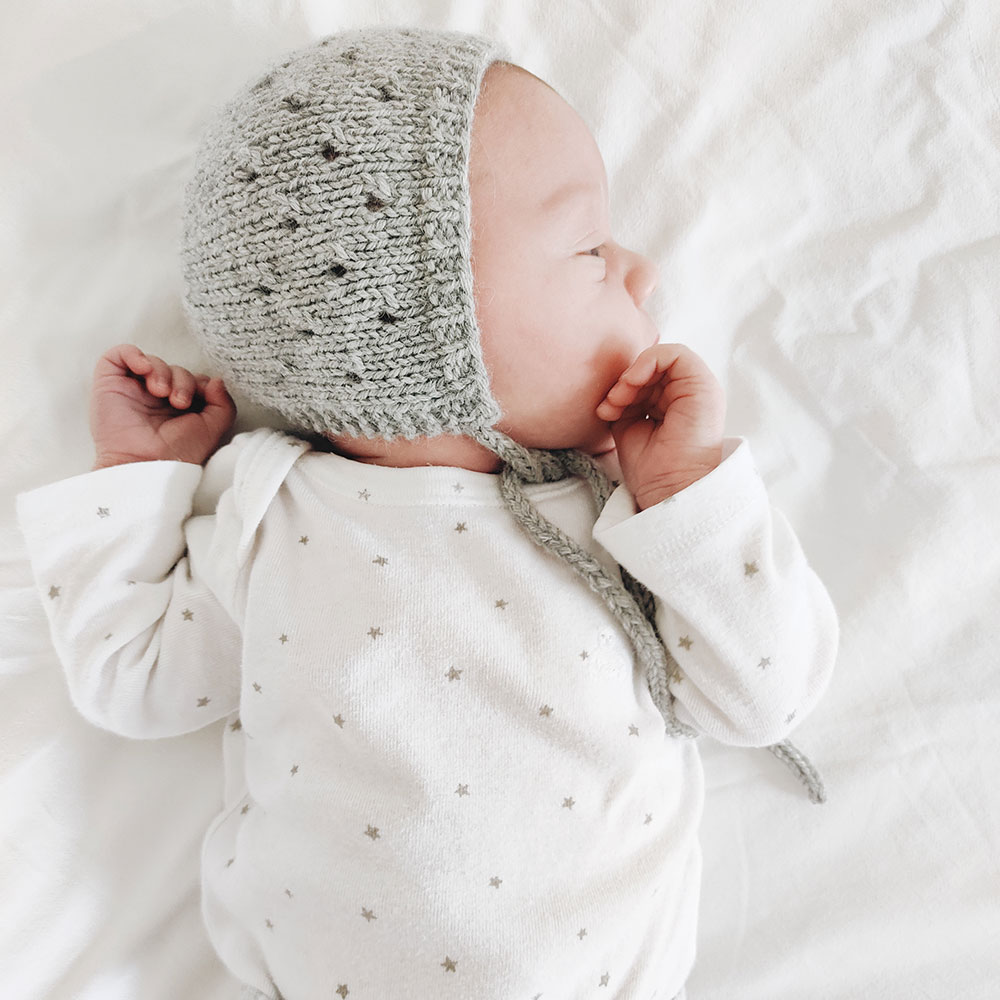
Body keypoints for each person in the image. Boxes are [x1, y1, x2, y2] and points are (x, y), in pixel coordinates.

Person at [15, 25, 839, 1000]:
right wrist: (138, 477)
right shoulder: (272, 510)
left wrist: (685, 490)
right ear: (424, 326)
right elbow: (134, 679)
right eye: (587, 246)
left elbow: (763, 697)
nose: (642, 273)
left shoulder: (622, 514)